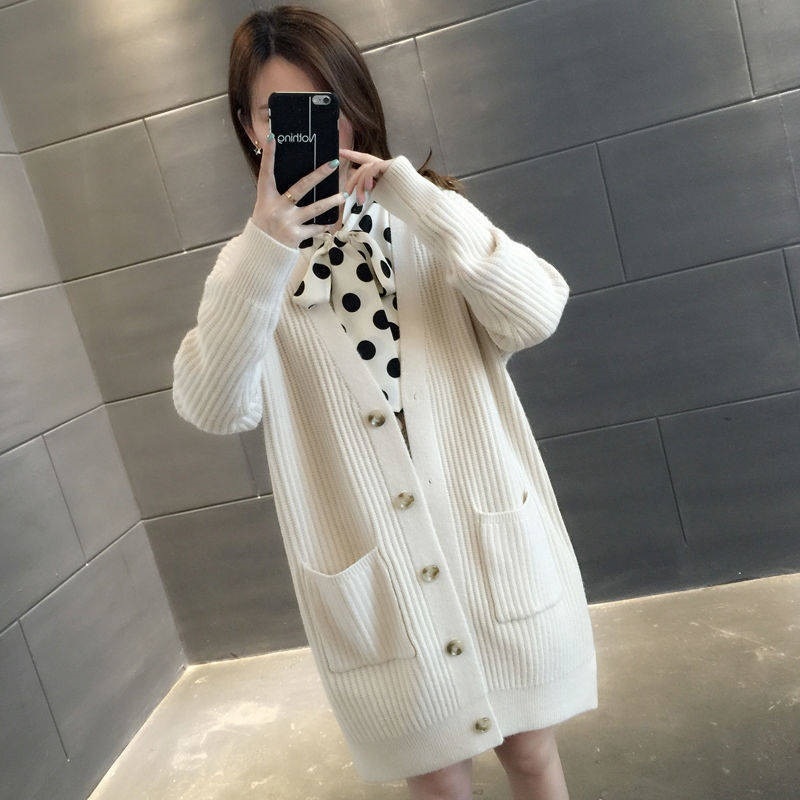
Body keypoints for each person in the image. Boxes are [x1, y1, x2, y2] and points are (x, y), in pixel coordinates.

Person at [172, 6, 598, 799]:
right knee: (438, 783)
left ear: (356, 103)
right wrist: (263, 253)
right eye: (279, 112)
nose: (310, 128)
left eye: (324, 102)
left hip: (491, 549)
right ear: (251, 128)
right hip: (382, 586)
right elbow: (213, 405)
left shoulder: (429, 222)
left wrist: (423, 201)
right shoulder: (251, 272)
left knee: (533, 755)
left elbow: (536, 312)